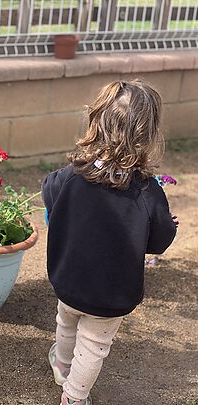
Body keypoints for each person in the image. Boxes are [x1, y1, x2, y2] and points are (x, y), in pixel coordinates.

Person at [42, 79, 178, 405]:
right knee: (93, 346)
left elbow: (49, 191)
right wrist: (167, 227)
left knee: (66, 318)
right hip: (110, 293)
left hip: (68, 278)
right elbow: (159, 240)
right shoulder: (146, 191)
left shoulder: (72, 175)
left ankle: (62, 364)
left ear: (96, 121)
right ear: (146, 135)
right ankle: (74, 398)